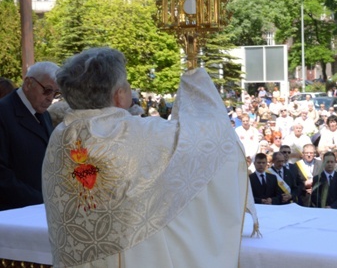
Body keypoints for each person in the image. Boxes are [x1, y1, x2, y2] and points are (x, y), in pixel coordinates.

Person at [42, 48, 254, 267]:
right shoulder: (136, 132)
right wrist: (198, 84)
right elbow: (214, 140)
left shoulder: (61, 135)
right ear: (119, 94)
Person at [0, 61, 59, 210]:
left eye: (56, 93)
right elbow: (2, 175)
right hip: (14, 215)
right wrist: (40, 200)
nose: (50, 98)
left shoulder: (43, 114)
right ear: (28, 83)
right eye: (47, 90)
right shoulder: (3, 113)